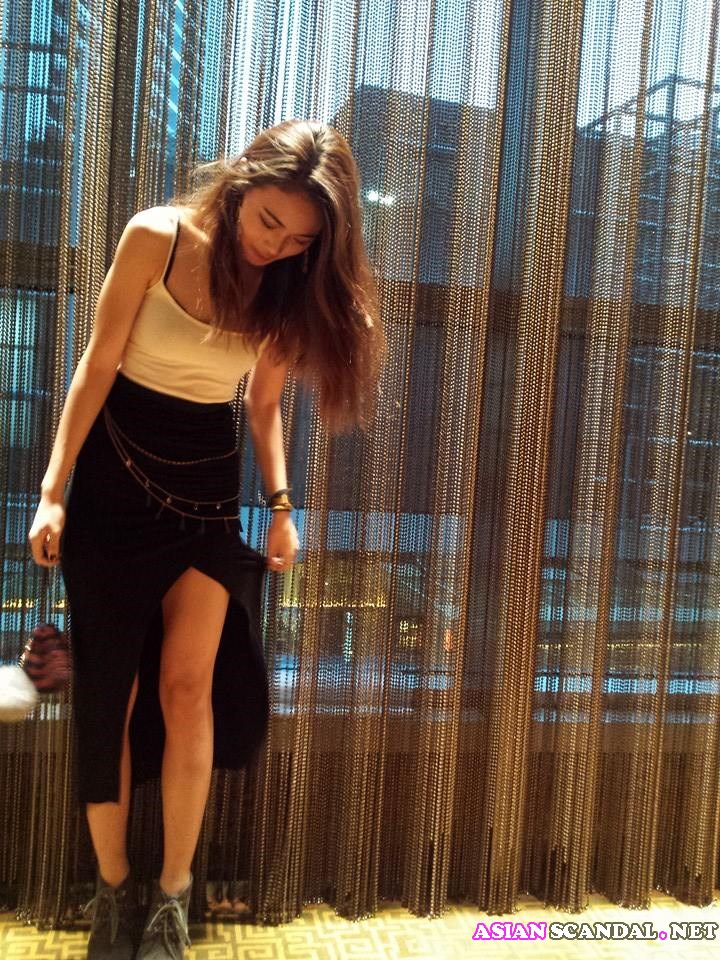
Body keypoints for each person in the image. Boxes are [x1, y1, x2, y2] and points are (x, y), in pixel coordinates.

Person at [27, 118, 386, 960]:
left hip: (206, 492)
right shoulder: (156, 236)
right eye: (269, 222)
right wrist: (51, 492)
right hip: (116, 481)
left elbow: (261, 405)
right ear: (240, 182)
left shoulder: (286, 288)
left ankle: (173, 896)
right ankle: (113, 890)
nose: (276, 246)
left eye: (299, 239)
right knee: (108, 695)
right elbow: (97, 363)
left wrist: (282, 506)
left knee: (188, 690)